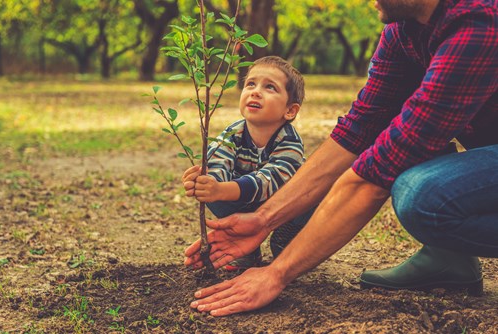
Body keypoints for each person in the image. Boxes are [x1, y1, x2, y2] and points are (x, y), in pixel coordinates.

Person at [183, 0, 498, 316]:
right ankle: (449, 258)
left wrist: (276, 273)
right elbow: (359, 128)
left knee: (422, 196)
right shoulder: (402, 29)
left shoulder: (479, 21)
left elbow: (377, 174)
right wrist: (264, 219)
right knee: (407, 138)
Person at [182, 56, 312, 271]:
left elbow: (271, 180)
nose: (255, 91)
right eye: (250, 84)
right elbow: (218, 161)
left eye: (270, 87)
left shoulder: (289, 141)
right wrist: (206, 182)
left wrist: (224, 189)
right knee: (215, 196)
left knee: (311, 200)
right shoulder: (233, 132)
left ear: (290, 110)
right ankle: (247, 249)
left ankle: (289, 235)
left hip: (284, 205)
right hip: (246, 201)